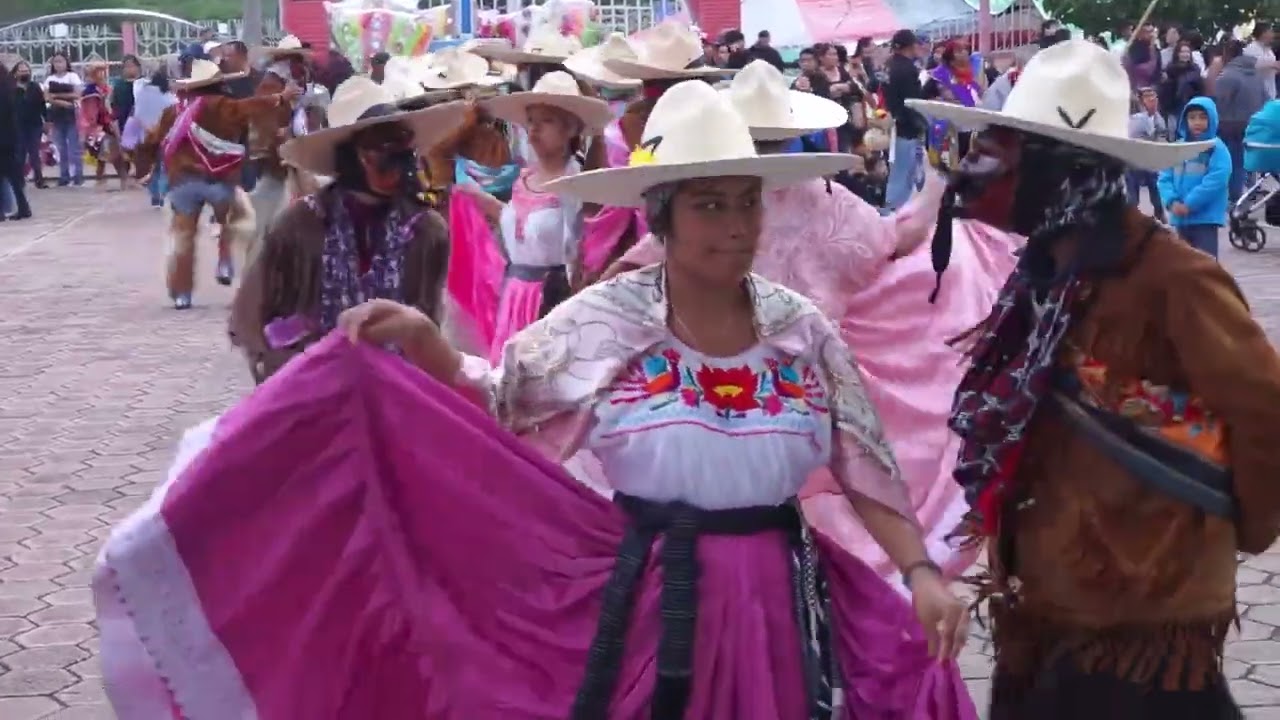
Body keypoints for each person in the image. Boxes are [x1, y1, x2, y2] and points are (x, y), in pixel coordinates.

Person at [94, 78, 977, 720]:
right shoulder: (605, 320)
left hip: (784, 605)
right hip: (650, 605)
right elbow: (504, 403)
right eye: (710, 207)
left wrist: (921, 572)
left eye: (747, 204)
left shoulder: (800, 331)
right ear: (660, 217)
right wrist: (430, 348)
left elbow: (862, 461)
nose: (738, 227)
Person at [909, 39, 1280, 718]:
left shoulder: (1172, 277)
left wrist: (1227, 532)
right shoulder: (1044, 273)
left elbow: (1265, 414)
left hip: (1142, 611)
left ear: (1067, 171)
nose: (982, 167)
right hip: (1048, 599)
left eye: (1006, 150)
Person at [599, 60, 1020, 585]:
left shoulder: (706, 205)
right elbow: (897, 242)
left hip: (716, 401)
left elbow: (635, 270)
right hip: (803, 396)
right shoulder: (834, 205)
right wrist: (935, 191)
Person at [226, 76, 463, 384]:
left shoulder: (425, 230)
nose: (396, 161)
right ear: (352, 155)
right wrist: (280, 367)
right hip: (312, 392)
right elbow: (251, 317)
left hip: (399, 394)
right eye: (380, 147)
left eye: (400, 144)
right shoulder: (301, 224)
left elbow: (429, 318)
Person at [457, 71, 612, 361]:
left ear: (570, 129)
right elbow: (522, 230)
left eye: (546, 121)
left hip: (555, 301)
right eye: (531, 121)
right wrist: (480, 200)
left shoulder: (577, 182)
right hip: (515, 298)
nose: (534, 130)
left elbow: (584, 249)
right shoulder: (524, 177)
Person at [136, 59, 298, 309]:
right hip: (220, 178)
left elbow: (151, 140)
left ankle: (182, 294)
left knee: (183, 237)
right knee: (230, 223)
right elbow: (249, 108)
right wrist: (279, 98)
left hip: (182, 182)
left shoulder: (174, 112)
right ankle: (225, 261)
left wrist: (143, 167)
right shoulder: (224, 106)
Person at [1158, 96, 1231, 258]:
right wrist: (1172, 201)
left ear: (1212, 119)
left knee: (1206, 263)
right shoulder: (1177, 148)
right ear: (1185, 120)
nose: (1197, 122)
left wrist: (1190, 203)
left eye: (1203, 117)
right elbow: (1164, 176)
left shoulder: (1216, 148)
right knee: (1183, 263)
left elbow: (1216, 180)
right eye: (1192, 117)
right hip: (1180, 218)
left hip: (1205, 218)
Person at [1212, 39, 1266, 203]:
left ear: (1226, 54)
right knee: (1245, 164)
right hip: (1253, 123)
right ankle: (1247, 194)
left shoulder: (1228, 75)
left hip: (1230, 126)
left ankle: (1235, 198)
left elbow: (1220, 103)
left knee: (1232, 165)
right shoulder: (1255, 74)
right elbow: (1265, 97)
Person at [884, 29, 926, 210]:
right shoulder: (908, 68)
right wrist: (920, 123)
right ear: (910, 46)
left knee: (899, 168)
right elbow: (911, 101)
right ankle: (896, 209)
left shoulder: (890, 65)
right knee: (904, 169)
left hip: (894, 121)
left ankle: (895, 205)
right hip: (907, 126)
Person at [129, 68, 176, 208]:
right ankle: (161, 195)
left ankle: (155, 196)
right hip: (164, 137)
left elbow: (137, 116)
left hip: (147, 137)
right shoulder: (169, 97)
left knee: (151, 168)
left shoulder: (143, 96)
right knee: (163, 168)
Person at [1127, 87, 1167, 220]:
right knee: (1134, 189)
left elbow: (1162, 133)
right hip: (1134, 158)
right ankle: (1134, 214)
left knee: (1154, 185)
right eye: (1148, 97)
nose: (1152, 100)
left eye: (1154, 97)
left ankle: (1159, 212)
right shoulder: (1137, 118)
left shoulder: (1157, 117)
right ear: (1141, 101)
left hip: (1149, 158)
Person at [45, 52, 83, 187]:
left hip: (71, 114)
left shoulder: (72, 76)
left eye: (61, 61)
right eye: (56, 62)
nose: (59, 64)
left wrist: (57, 96)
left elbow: (77, 94)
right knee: (60, 148)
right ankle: (64, 176)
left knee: (74, 147)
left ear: (66, 63)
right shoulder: (49, 79)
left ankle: (78, 175)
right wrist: (62, 101)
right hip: (56, 115)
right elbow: (47, 97)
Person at [0, 61, 32, 220]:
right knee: (13, 175)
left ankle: (15, 208)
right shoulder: (9, 87)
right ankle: (23, 207)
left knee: (10, 175)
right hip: (10, 136)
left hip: (4, 136)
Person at [11, 61, 47, 190]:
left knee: (34, 153)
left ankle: (39, 180)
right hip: (18, 125)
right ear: (15, 73)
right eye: (21, 70)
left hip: (34, 124)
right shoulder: (12, 88)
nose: (24, 73)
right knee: (20, 153)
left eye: (26, 70)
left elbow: (42, 104)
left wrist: (47, 120)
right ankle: (19, 181)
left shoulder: (35, 87)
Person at [1161, 41, 1207, 134]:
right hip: (1172, 106)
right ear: (1177, 54)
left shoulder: (1195, 70)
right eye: (1182, 52)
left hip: (1190, 105)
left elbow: (1200, 89)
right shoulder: (1170, 70)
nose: (1185, 54)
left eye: (1187, 52)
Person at [1244, 22, 1278, 101]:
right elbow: (1252, 66)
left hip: (1270, 91)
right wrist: (1273, 64)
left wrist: (1276, 69)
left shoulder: (1269, 50)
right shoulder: (1252, 48)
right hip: (1256, 93)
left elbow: (1270, 71)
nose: (1273, 35)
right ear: (1264, 33)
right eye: (1271, 32)